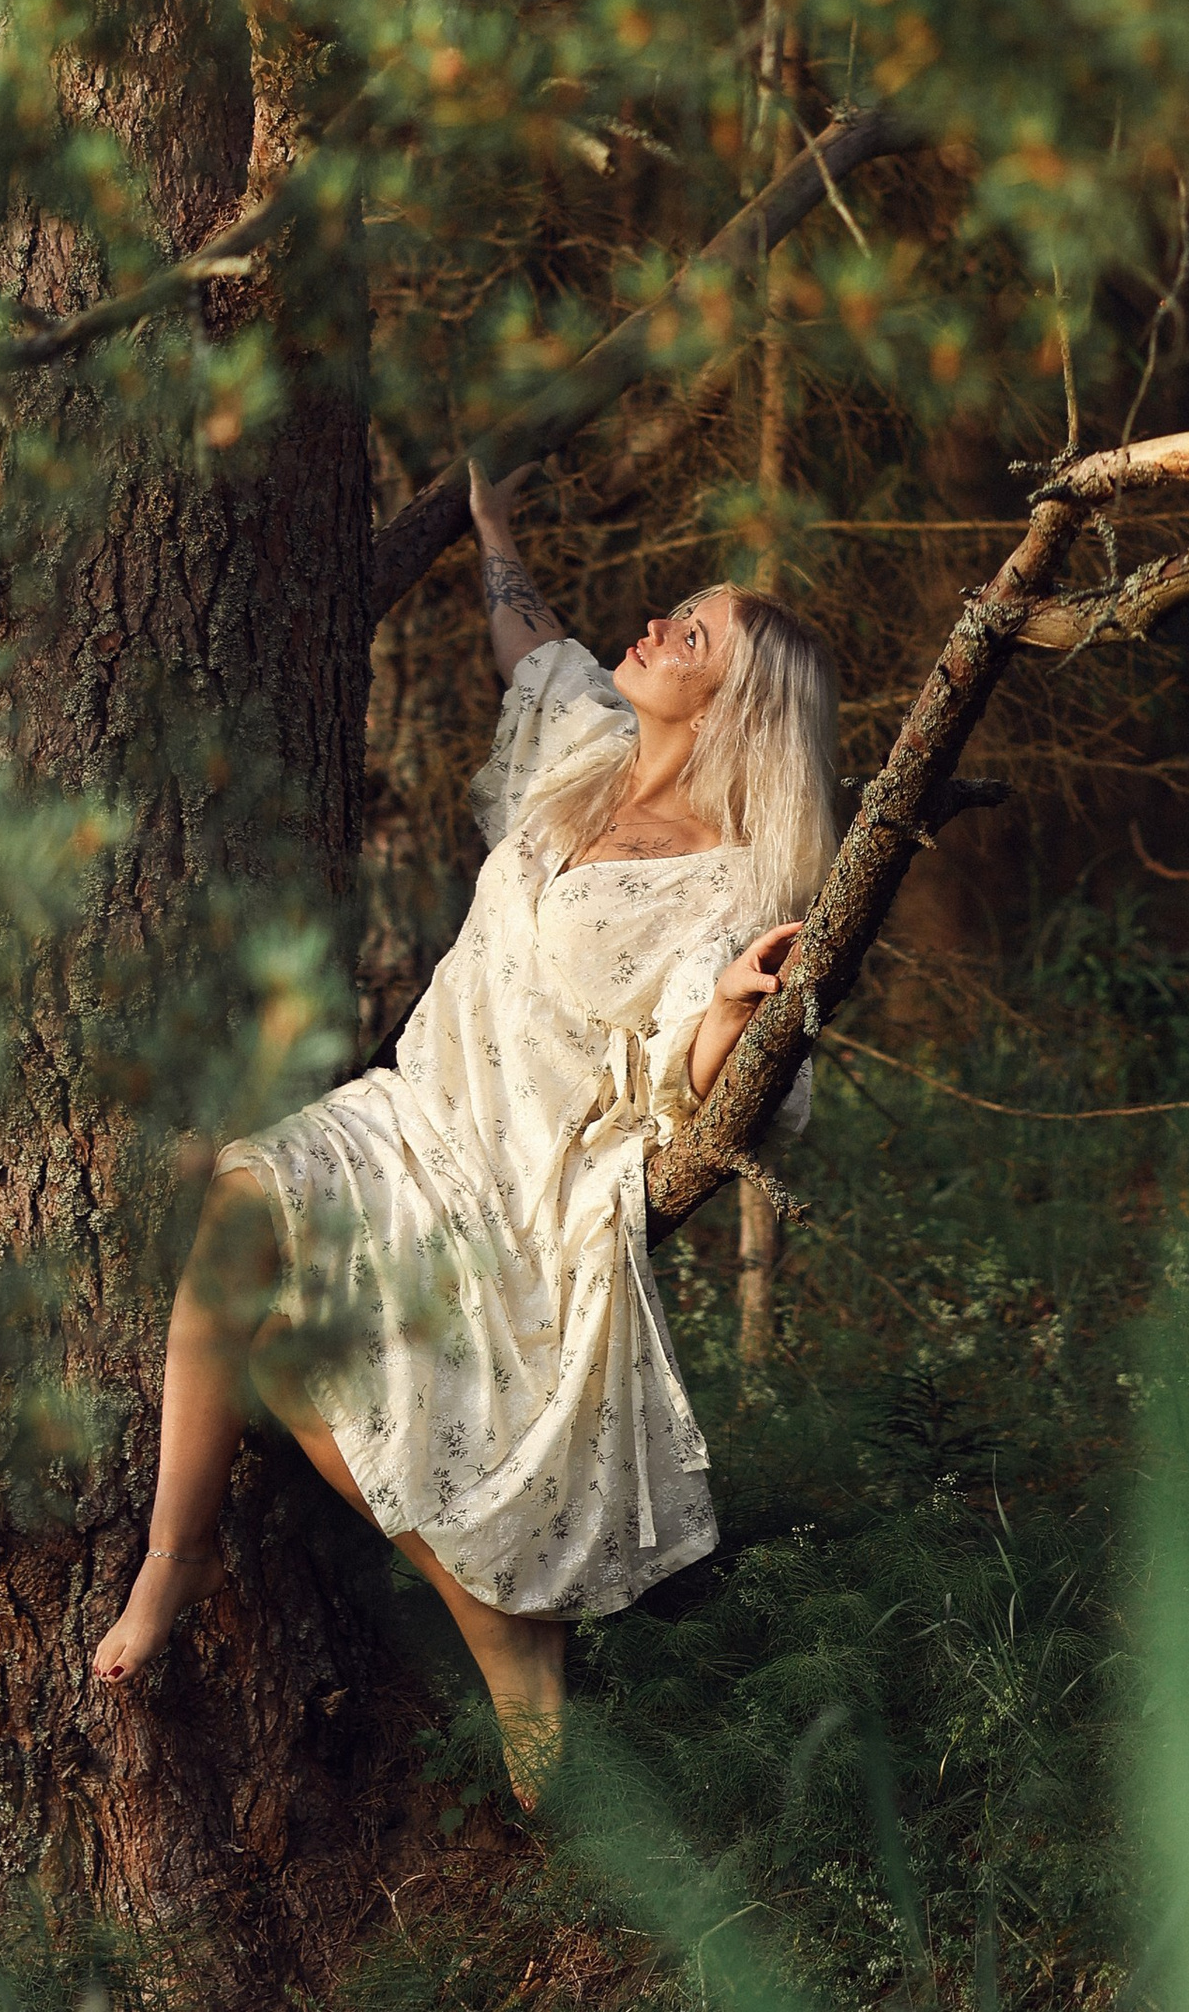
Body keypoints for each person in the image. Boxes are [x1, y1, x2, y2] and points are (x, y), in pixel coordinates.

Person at [89, 458, 840, 1792]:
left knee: (272, 1345)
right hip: (413, 1108)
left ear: (734, 705)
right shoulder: (588, 749)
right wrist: (492, 531)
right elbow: (534, 648)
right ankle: (181, 1562)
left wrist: (729, 1007)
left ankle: (501, 1645)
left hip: (520, 1167)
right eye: (676, 610)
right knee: (236, 1229)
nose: (661, 627)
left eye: (694, 635)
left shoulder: (729, 877)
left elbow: (694, 1052)